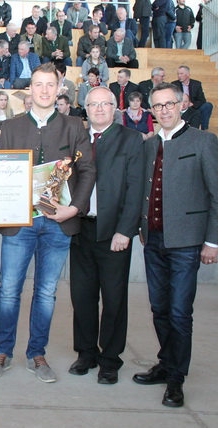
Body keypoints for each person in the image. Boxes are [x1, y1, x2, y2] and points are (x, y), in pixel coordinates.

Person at [0, 63, 95, 383]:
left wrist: (74, 209)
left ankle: (36, 353)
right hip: (20, 222)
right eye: (38, 84)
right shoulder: (12, 127)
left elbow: (88, 172)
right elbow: (1, 170)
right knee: (9, 291)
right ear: (30, 89)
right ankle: (2, 351)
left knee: (45, 292)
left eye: (49, 85)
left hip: (58, 223)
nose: (43, 90)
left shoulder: (74, 126)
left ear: (60, 89)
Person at [134, 82, 218, 408]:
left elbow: (216, 195)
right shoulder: (148, 145)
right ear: (151, 111)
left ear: (182, 104)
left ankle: (176, 380)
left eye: (169, 104)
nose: (164, 110)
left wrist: (212, 242)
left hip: (186, 242)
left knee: (181, 313)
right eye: (158, 106)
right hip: (153, 239)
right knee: (160, 309)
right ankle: (166, 362)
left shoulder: (204, 141)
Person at [69, 86, 144, 385]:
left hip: (114, 232)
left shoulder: (131, 139)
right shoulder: (76, 140)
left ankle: (110, 359)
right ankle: (86, 352)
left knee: (113, 299)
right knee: (82, 296)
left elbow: (135, 187)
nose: (99, 109)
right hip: (79, 228)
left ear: (115, 108)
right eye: (93, 104)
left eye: (105, 104)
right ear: (84, 109)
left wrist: (125, 230)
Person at [172, 65, 213, 130]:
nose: (179, 76)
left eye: (181, 73)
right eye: (178, 74)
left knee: (208, 105)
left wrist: (192, 104)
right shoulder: (174, 84)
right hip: (181, 108)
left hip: (193, 107)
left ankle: (203, 129)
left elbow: (202, 100)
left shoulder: (196, 84)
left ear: (188, 74)